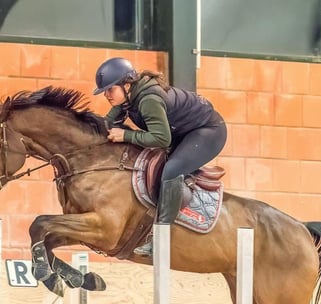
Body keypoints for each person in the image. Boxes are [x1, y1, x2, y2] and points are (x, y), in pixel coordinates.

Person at [93, 57, 228, 257]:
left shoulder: (148, 100)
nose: (107, 95)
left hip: (208, 132)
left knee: (172, 169)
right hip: (185, 131)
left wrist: (126, 135)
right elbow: (105, 124)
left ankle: (160, 237)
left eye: (110, 89)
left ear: (127, 84)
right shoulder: (127, 98)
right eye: (105, 91)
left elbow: (162, 139)